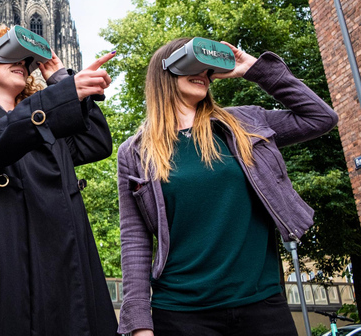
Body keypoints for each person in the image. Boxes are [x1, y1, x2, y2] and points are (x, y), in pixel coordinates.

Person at [117, 38, 339, 336]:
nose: (204, 74)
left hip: (262, 305)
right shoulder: (135, 151)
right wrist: (138, 323)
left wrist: (254, 69)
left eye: (209, 70)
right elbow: (134, 239)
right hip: (182, 314)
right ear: (166, 70)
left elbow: (320, 117)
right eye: (194, 65)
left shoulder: (244, 123)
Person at [0, 23, 120, 336]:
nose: (21, 63)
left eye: (27, 60)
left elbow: (95, 142)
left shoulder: (48, 120)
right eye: (7, 55)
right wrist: (57, 99)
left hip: (57, 264)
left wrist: (61, 81)